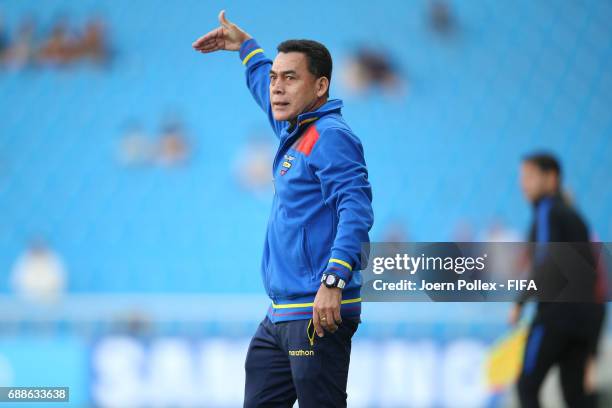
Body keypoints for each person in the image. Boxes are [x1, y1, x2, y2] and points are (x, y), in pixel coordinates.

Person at [193, 10, 374, 408]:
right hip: (280, 315)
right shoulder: (295, 131)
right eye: (276, 77)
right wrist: (245, 47)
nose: (277, 87)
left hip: (317, 311)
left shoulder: (330, 137)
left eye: (290, 78)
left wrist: (334, 281)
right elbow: (262, 87)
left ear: (321, 85)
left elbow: (356, 208)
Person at [509, 153, 600, 408]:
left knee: (527, 386)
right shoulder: (575, 217)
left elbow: (546, 261)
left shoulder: (547, 211)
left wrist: (520, 301)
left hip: (555, 316)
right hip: (584, 318)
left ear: (551, 178)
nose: (523, 184)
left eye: (529, 176)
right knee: (574, 394)